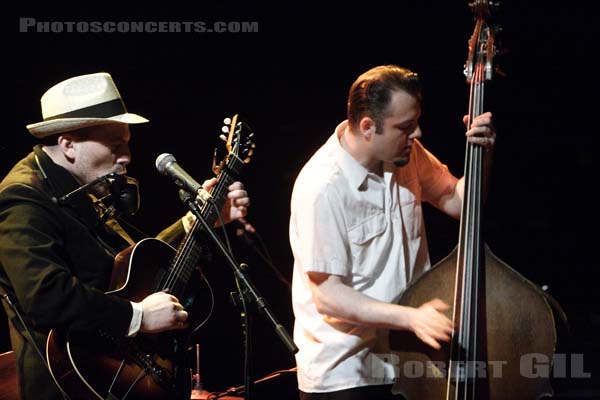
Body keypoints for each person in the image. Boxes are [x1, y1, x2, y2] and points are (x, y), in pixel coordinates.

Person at [0, 72, 251, 399]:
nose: (127, 158)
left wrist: (198, 222)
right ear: (69, 145)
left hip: (115, 379)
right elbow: (45, 297)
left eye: (127, 144)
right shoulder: (22, 197)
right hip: (70, 388)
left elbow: (129, 264)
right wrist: (139, 317)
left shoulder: (80, 187)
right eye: (115, 146)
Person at [289, 64, 496, 399]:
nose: (417, 135)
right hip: (347, 374)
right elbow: (328, 295)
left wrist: (481, 155)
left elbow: (458, 204)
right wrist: (412, 318)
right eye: (405, 127)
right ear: (368, 127)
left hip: (407, 361)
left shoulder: (406, 155)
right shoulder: (322, 186)